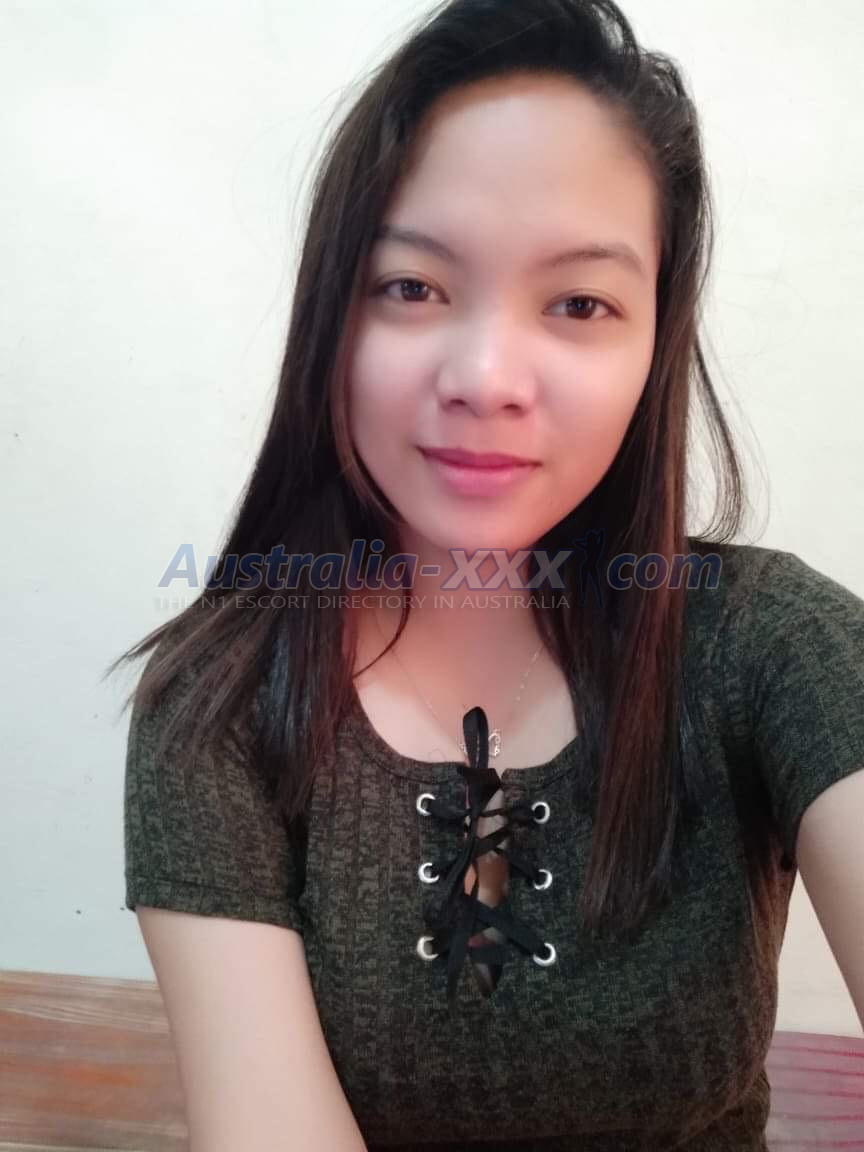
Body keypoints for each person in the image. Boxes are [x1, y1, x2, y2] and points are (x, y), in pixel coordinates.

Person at [111, 0, 864, 1148]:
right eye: (413, 286)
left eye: (580, 303)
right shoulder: (219, 707)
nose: (487, 376)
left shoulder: (773, 645)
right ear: (332, 313)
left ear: (653, 344)